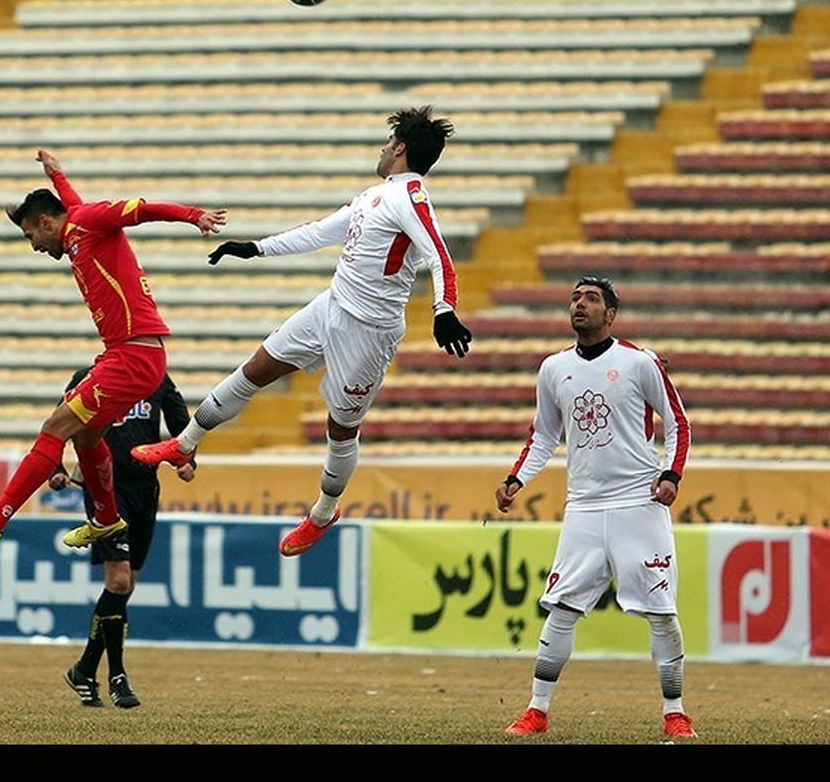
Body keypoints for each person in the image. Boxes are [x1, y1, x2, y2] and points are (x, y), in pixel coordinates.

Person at [132, 106, 471, 557]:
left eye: (388, 143)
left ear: (400, 148)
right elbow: (317, 233)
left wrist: (444, 309)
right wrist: (254, 249)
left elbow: (440, 256)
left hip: (369, 332)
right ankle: (184, 443)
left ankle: (323, 513)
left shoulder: (411, 199)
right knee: (255, 369)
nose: (382, 149)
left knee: (341, 427)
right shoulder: (374, 196)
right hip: (330, 305)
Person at [0, 150, 224, 551]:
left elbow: (140, 209)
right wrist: (56, 173)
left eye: (30, 236)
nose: (34, 246)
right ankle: (106, 520)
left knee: (55, 428)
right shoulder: (76, 225)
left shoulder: (87, 222)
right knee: (87, 439)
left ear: (44, 222)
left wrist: (193, 215)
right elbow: (72, 202)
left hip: (134, 356)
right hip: (126, 353)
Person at [496, 277, 695, 739]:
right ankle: (536, 710)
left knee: (661, 611)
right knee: (561, 606)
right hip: (583, 506)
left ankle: (675, 712)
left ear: (610, 314)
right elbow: (544, 435)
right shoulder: (553, 368)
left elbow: (679, 424)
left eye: (591, 299)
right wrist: (515, 479)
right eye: (574, 297)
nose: (579, 304)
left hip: (637, 503)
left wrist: (671, 475)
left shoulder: (639, 362)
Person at [50, 366, 196, 709]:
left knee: (125, 585)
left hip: (144, 488)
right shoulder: (89, 375)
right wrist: (56, 468)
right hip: (105, 487)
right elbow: (58, 423)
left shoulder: (156, 377)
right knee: (117, 582)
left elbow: (180, 420)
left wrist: (187, 459)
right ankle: (117, 676)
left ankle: (84, 668)